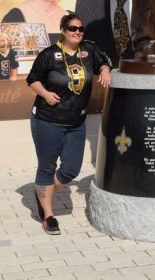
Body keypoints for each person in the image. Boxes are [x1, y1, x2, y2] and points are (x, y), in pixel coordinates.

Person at [24, 13, 113, 235]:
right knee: (47, 167)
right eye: (72, 28)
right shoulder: (49, 54)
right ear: (63, 30)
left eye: (80, 29)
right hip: (48, 120)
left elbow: (104, 61)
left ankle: (43, 191)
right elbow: (32, 79)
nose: (77, 32)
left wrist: (104, 71)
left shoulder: (89, 50)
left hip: (76, 122)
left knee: (70, 169)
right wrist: (44, 93)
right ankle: (48, 215)